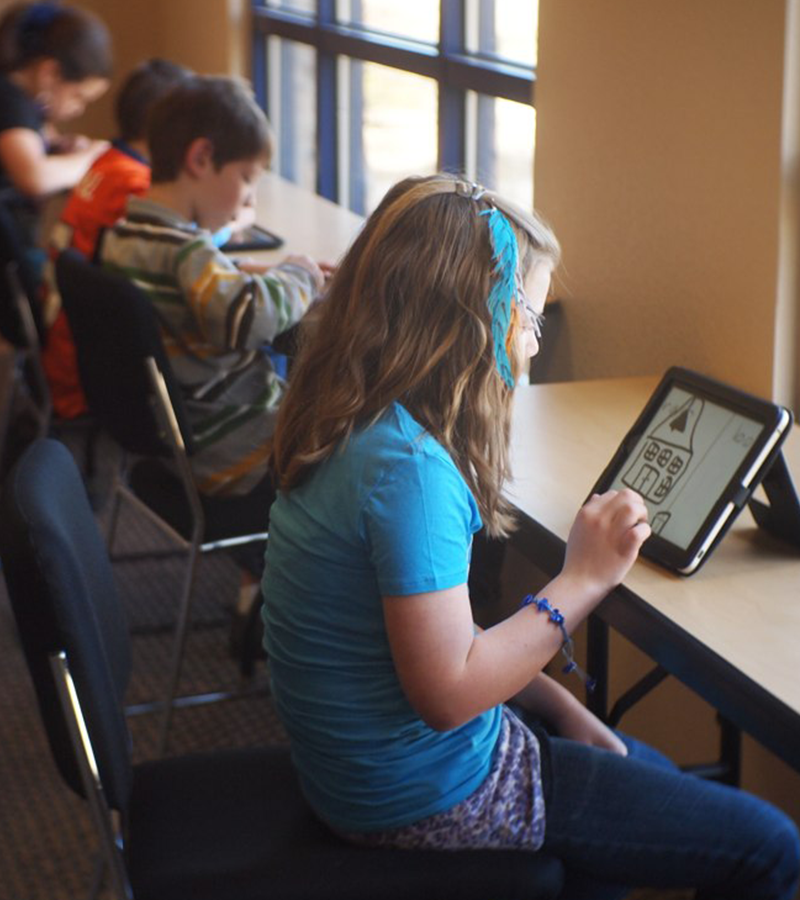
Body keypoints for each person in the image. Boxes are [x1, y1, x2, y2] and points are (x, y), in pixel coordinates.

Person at [261, 172, 800, 900]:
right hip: (422, 795)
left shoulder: (349, 420)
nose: (535, 345)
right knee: (770, 845)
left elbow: (429, 633)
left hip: (358, 771)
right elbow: (449, 693)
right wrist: (584, 578)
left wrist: (563, 707)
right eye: (533, 320)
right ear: (477, 320)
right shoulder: (410, 471)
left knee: (645, 780)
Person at [43, 58, 192, 419]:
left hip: (63, 343)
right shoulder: (136, 186)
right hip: (87, 371)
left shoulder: (106, 160)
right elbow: (181, 248)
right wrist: (233, 225)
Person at [0, 1, 111, 340]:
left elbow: (34, 147)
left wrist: (59, 148)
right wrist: (91, 159)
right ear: (50, 73)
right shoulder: (11, 100)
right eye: (78, 96)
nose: (78, 108)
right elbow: (33, 176)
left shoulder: (22, 104)